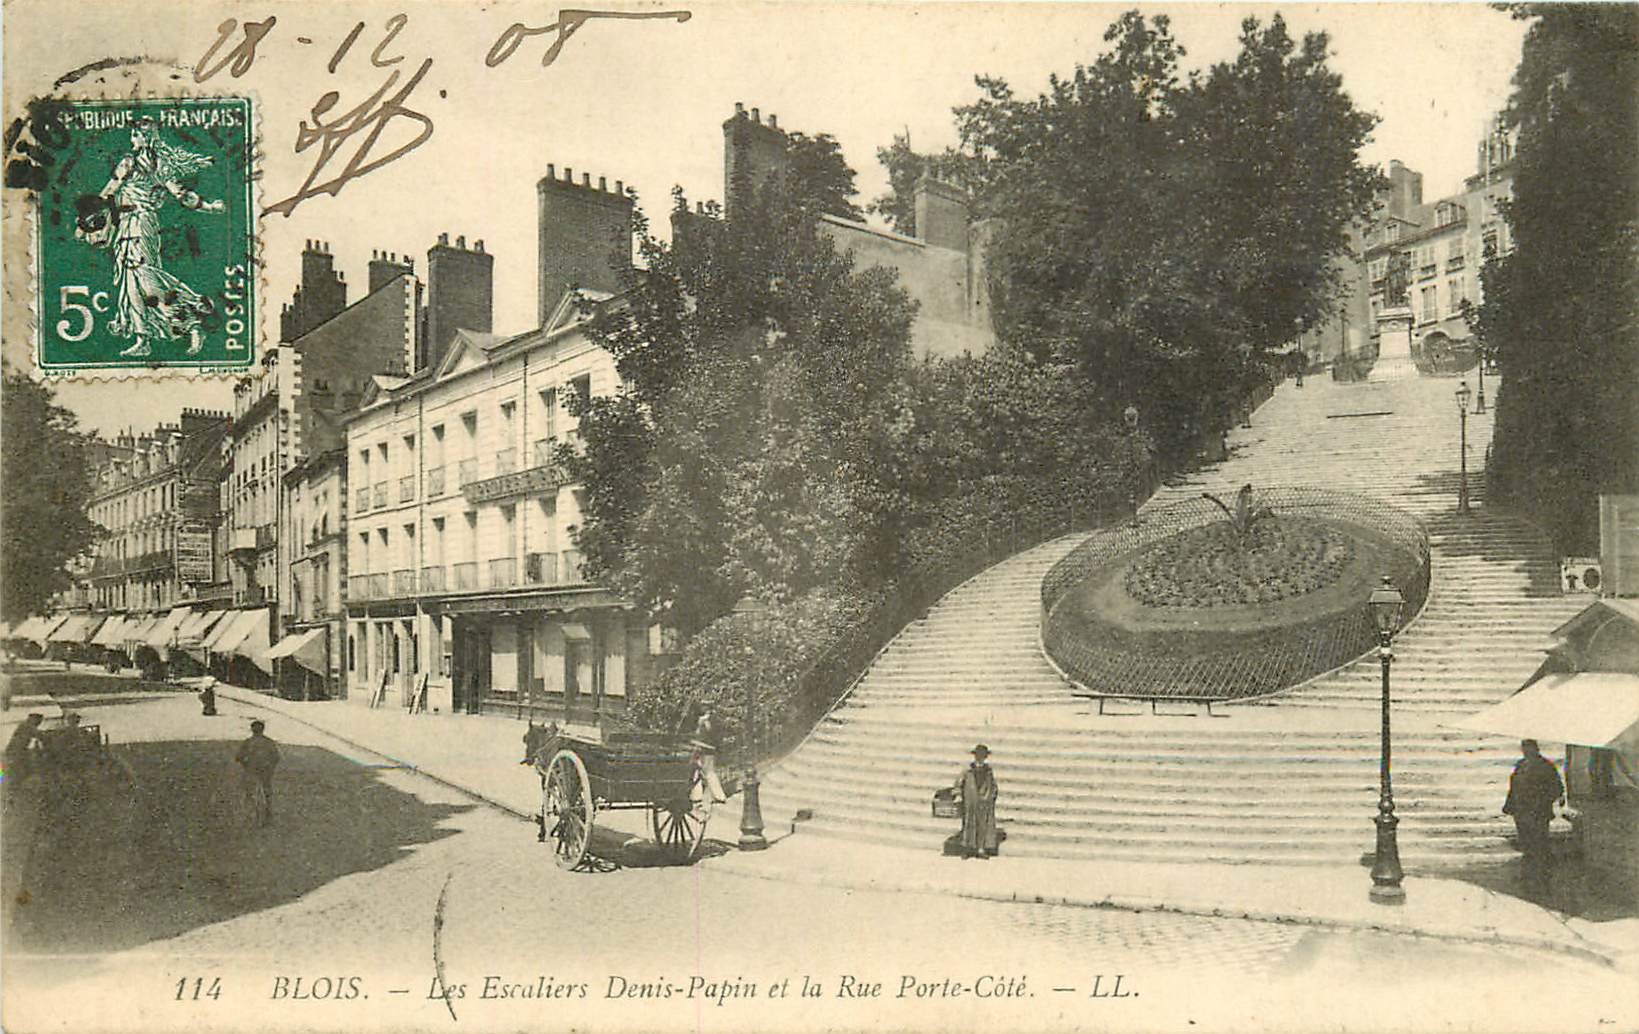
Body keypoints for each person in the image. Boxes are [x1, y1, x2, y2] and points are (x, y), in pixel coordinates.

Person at [80, 117, 224, 358]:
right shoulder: (161, 166)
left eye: (135, 135)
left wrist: (86, 220)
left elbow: (108, 192)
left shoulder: (130, 162)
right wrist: (207, 206)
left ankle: (191, 322)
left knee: (145, 279)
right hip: (135, 225)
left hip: (137, 224)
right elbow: (183, 195)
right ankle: (143, 338)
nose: (131, 139)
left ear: (144, 138)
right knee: (131, 282)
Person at [1502, 739, 1564, 900]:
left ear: (1536, 749)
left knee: (1540, 846)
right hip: (1521, 813)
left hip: (1538, 813)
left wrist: (1542, 802)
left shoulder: (1546, 766)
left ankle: (1543, 881)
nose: (1526, 751)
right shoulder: (1521, 765)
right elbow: (1514, 787)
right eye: (1524, 749)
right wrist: (1509, 806)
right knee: (1527, 846)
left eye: (1529, 749)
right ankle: (1529, 880)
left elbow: (1557, 788)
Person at [955, 744, 999, 860]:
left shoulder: (988, 770)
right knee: (969, 823)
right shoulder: (968, 770)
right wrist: (959, 794)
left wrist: (992, 795)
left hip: (984, 800)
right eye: (978, 756)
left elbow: (993, 785)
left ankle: (981, 848)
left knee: (983, 824)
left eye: (983, 756)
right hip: (970, 799)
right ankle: (967, 848)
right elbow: (959, 783)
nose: (980, 758)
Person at [235, 720, 281, 826]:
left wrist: (244, 764)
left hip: (251, 770)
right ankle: (268, 812)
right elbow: (276, 757)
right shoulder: (269, 742)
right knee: (267, 789)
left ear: (252, 730)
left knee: (249, 791)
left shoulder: (247, 742)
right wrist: (271, 767)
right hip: (266, 770)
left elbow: (238, 757)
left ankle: (249, 814)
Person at [688, 703, 728, 805]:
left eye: (705, 706)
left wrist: (705, 723)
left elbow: (713, 733)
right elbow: (697, 733)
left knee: (709, 772)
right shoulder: (700, 718)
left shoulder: (714, 719)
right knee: (695, 770)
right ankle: (696, 796)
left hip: (708, 749)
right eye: (702, 705)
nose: (703, 707)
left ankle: (719, 796)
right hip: (699, 748)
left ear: (709, 708)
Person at [4, 713, 46, 788]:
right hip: (16, 751)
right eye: (39, 721)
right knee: (19, 767)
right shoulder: (27, 726)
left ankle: (16, 784)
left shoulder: (25, 725)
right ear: (33, 719)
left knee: (22, 767)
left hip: (18, 750)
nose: (39, 723)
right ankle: (15, 785)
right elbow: (39, 735)